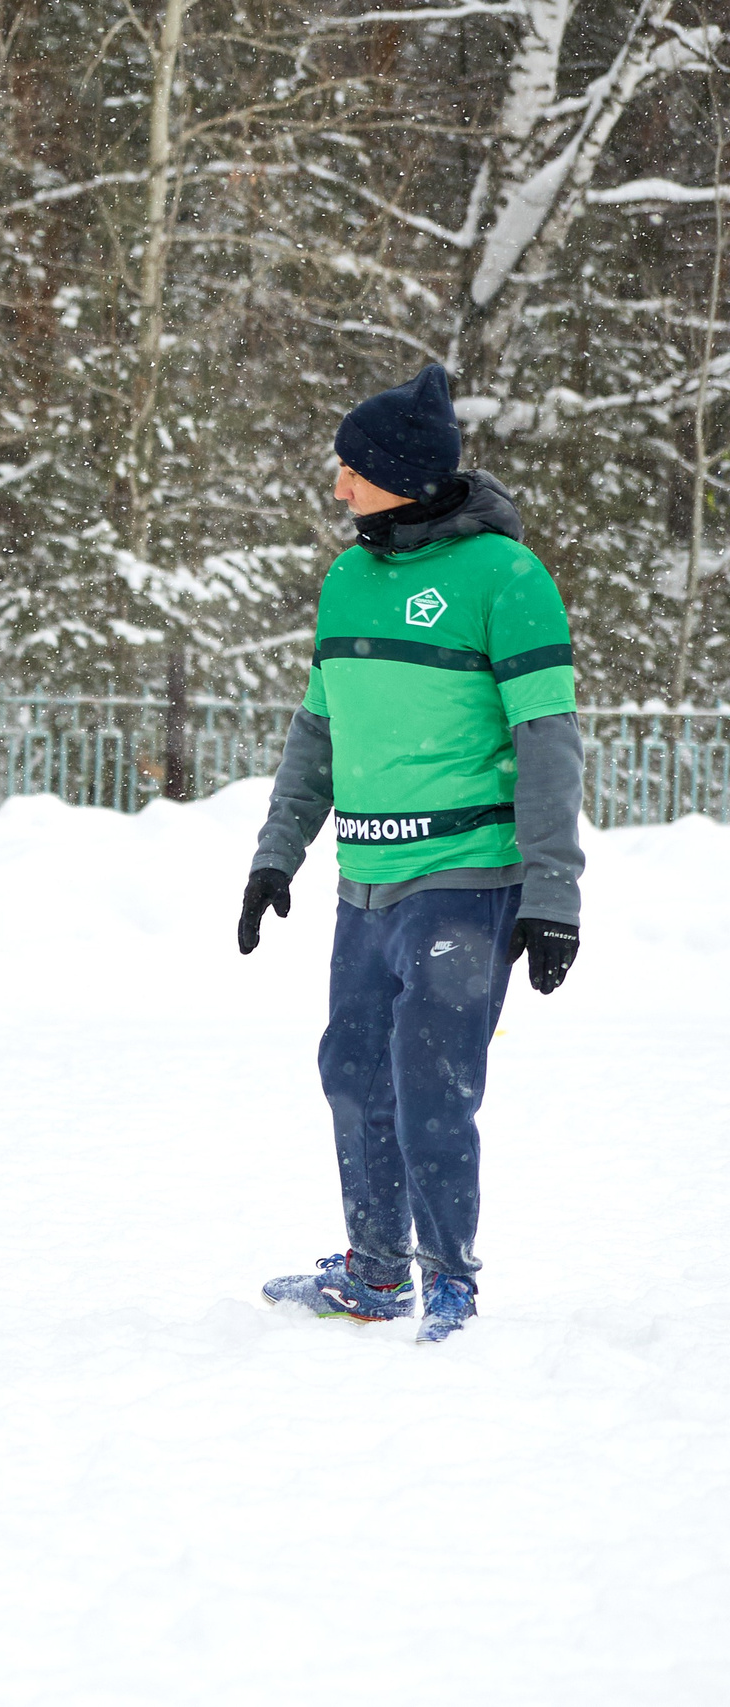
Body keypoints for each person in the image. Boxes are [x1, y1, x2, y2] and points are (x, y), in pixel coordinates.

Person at [239, 363, 584, 1344]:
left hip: (466, 881)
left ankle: (452, 1295)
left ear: (401, 473)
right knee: (351, 1070)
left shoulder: (507, 581)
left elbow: (547, 744)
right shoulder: (347, 579)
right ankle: (374, 1273)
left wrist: (551, 893)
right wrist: (276, 856)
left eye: (352, 469)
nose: (338, 487)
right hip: (365, 886)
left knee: (429, 1082)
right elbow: (318, 731)